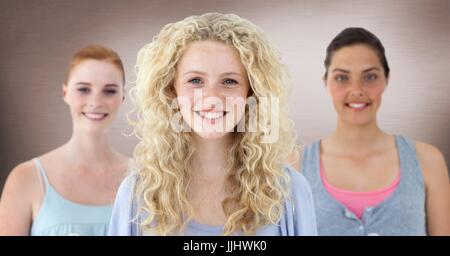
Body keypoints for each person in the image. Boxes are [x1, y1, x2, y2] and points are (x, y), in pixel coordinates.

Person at [108, 13, 317, 236]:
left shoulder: (289, 190)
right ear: (171, 91)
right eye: (195, 81)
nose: (212, 98)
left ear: (251, 93)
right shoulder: (137, 195)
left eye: (229, 81)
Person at [301, 27, 450, 235]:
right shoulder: (296, 168)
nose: (357, 90)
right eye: (342, 78)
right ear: (326, 82)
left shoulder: (428, 161)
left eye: (369, 77)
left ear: (386, 80)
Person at [0, 45, 130, 235]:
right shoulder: (25, 178)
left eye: (109, 91)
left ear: (123, 97)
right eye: (84, 89)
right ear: (65, 93)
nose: (95, 102)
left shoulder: (146, 178)